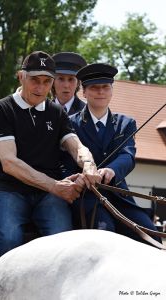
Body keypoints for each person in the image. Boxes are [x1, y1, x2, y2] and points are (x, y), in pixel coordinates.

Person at [0, 51, 101, 261]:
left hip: (48, 196)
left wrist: (88, 163)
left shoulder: (56, 112)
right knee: (9, 240)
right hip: (9, 190)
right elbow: (9, 163)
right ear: (21, 76)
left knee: (64, 242)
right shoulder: (1, 109)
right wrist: (55, 187)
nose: (40, 88)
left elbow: (75, 146)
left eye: (47, 81)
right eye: (34, 80)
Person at [62, 63, 161, 244]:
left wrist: (111, 170)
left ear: (111, 91)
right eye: (95, 87)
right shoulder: (70, 123)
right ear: (84, 92)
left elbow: (127, 155)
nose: (101, 92)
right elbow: (64, 162)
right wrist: (78, 178)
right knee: (105, 235)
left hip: (119, 196)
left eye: (105, 87)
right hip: (86, 196)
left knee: (152, 238)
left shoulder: (126, 123)